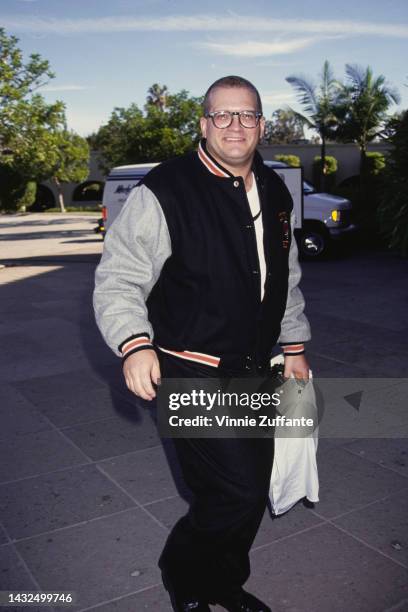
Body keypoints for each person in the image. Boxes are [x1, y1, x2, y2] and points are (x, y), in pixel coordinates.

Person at [93, 75, 311, 612]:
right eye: (222, 115)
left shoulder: (276, 189)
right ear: (203, 123)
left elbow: (283, 275)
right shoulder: (165, 190)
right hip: (189, 368)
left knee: (250, 487)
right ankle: (183, 572)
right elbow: (119, 277)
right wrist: (134, 342)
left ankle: (223, 581)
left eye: (247, 115)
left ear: (262, 125)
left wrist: (296, 345)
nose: (235, 125)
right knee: (233, 489)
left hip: (257, 365)